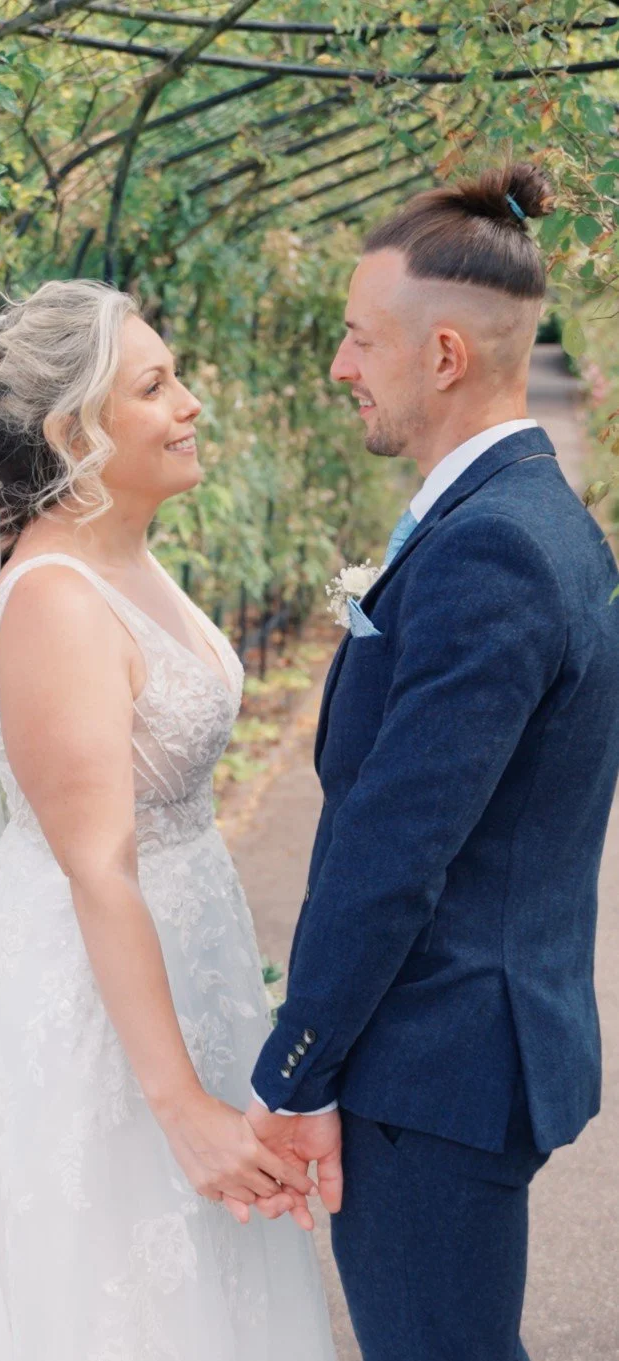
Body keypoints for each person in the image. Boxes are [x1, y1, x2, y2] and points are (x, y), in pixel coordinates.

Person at [0, 280, 336, 1359]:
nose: (190, 403)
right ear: (74, 431)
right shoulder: (57, 603)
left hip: (184, 969)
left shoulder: (124, 553)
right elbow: (100, 865)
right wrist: (179, 1105)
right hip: (84, 1011)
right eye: (156, 385)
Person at [248, 163, 619, 1359]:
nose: (340, 366)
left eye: (359, 340)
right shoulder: (524, 515)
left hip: (433, 1066)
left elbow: (394, 849)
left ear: (444, 354)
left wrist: (298, 1068)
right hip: (467, 1051)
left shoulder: (493, 551)